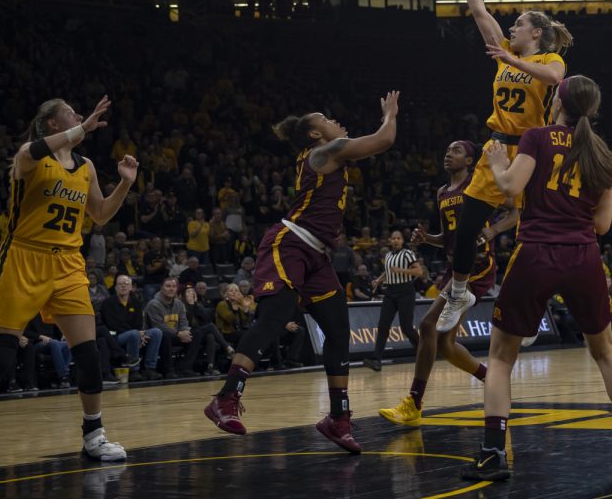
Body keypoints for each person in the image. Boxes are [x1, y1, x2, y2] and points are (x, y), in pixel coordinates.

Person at [461, 75, 612, 481]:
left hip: (536, 252)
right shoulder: (600, 150)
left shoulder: (536, 136)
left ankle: (493, 453)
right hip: (584, 256)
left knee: (499, 357)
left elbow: (511, 185)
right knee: (605, 351)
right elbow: (602, 225)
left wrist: (497, 163)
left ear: (556, 102)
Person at [0, 96, 136, 481]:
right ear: (50, 123)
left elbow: (98, 216)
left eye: (80, 115)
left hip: (68, 263)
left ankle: (93, 435)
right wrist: (85, 126)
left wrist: (124, 187)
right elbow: (36, 148)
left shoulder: (87, 166)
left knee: (91, 354)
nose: (79, 118)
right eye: (72, 114)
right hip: (24, 259)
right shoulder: (28, 157)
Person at [204, 91, 401, 454]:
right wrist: (390, 114)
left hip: (317, 256)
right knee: (273, 318)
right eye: (325, 117)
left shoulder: (324, 155)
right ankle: (226, 398)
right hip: (290, 244)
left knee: (339, 332)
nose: (333, 119)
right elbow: (384, 140)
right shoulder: (326, 151)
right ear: (315, 134)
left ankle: (337, 419)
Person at [435, 0, 572, 333]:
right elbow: (481, 13)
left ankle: (534, 307)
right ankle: (460, 291)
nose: (511, 28)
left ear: (537, 33)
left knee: (534, 233)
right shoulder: (504, 52)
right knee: (467, 225)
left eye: (518, 24)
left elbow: (555, 81)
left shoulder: (548, 60)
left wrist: (511, 61)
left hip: (532, 148)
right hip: (495, 146)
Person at [378, 140, 518, 425]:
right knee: (446, 344)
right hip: (455, 266)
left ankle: (414, 403)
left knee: (428, 325)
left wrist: (493, 231)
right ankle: (492, 379)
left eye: (455, 151)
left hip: (478, 267)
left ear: (469, 161)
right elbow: (448, 237)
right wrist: (426, 239)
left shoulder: (479, 186)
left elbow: (516, 211)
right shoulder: (442, 192)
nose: (447, 154)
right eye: (447, 150)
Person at [363, 230, 422, 372]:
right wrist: (378, 279)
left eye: (398, 238)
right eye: (393, 238)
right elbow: (389, 271)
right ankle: (376, 360)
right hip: (390, 292)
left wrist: (401, 270)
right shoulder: (388, 255)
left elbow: (419, 272)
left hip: (406, 291)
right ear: (390, 240)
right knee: (383, 326)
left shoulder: (408, 253)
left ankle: (424, 350)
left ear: (402, 241)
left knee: (406, 327)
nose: (396, 240)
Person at [101, 275, 163, 381]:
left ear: (131, 287)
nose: (123, 286)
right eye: (120, 284)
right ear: (115, 287)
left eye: (126, 284)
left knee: (156, 332)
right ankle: (134, 370)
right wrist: (137, 333)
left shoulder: (136, 302)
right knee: (134, 333)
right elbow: (112, 325)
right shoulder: (108, 302)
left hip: (135, 333)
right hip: (115, 336)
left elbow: (138, 323)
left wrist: (140, 334)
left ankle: (150, 368)